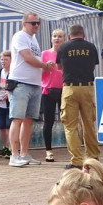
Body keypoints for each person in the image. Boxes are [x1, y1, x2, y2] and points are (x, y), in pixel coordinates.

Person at [7, 12, 53, 168]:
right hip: (20, 82)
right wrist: (44, 65)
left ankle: (24, 153)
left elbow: (34, 58)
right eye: (33, 23)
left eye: (38, 23)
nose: (36, 26)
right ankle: (14, 154)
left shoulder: (33, 39)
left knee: (28, 120)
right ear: (24, 23)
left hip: (34, 83)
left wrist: (45, 65)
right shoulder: (20, 37)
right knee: (17, 118)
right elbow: (27, 57)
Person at [57, 24, 101, 170]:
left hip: (69, 88)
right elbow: (93, 66)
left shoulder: (63, 48)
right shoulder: (91, 47)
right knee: (88, 124)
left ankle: (76, 160)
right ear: (83, 34)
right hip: (87, 87)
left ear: (69, 36)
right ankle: (93, 157)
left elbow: (59, 67)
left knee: (70, 126)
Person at [40, 29, 65, 163]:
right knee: (48, 121)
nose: (57, 39)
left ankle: (72, 148)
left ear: (64, 39)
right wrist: (45, 67)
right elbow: (39, 71)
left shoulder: (66, 53)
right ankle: (48, 150)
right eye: (54, 36)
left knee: (67, 119)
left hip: (64, 90)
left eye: (60, 36)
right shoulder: (45, 54)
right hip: (48, 90)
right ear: (51, 39)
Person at [0, 50, 12, 157]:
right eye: (2, 59)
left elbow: (15, 87)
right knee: (2, 126)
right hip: (0, 103)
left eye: (6, 59)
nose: (3, 61)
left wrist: (8, 94)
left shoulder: (13, 73)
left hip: (9, 103)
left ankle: (11, 147)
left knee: (9, 126)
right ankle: (4, 147)